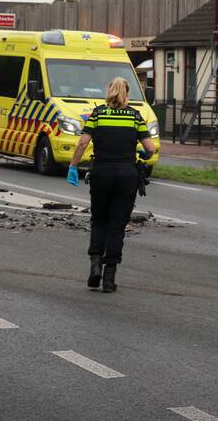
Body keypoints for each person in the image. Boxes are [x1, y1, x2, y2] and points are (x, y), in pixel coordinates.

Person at [67, 77, 156, 293]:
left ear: (109, 91)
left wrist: (73, 166)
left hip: (102, 173)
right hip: (126, 175)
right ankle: (109, 277)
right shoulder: (135, 116)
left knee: (99, 220)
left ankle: (95, 266)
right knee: (117, 225)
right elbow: (150, 148)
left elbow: (82, 142)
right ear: (127, 93)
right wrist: (143, 152)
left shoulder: (98, 114)